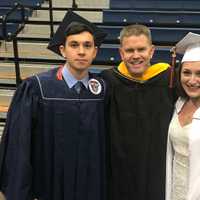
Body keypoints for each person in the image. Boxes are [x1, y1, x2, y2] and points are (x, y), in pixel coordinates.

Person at [0, 10, 107, 200]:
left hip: (90, 185)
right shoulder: (37, 87)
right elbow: (20, 144)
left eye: (87, 45)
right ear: (62, 50)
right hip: (49, 185)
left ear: (95, 52)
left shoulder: (101, 89)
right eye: (74, 45)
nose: (81, 51)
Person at [102, 24, 177, 200]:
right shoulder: (109, 81)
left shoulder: (169, 79)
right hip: (121, 169)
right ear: (121, 53)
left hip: (158, 167)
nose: (136, 56)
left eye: (141, 49)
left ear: (151, 51)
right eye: (129, 50)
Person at [166, 32, 200, 200]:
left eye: (199, 73)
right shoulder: (178, 104)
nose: (192, 80)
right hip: (175, 189)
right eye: (187, 72)